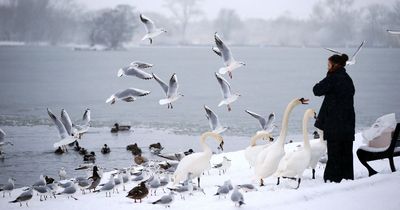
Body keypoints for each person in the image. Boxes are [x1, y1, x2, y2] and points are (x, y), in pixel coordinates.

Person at [313, 53, 355, 183]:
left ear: (334, 65)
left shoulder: (333, 78)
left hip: (335, 122)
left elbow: (317, 90)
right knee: (346, 153)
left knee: (334, 153)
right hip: (348, 122)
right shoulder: (348, 79)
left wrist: (328, 76)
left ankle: (333, 179)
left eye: (328, 65)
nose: (327, 67)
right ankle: (347, 177)